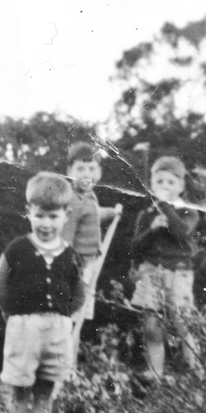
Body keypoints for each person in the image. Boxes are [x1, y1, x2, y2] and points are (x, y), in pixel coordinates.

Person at [0, 172, 86, 413]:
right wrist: (12, 313)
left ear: (66, 216)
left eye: (53, 216)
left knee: (46, 391)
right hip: (23, 328)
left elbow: (79, 294)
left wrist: (62, 316)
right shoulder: (18, 248)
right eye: (40, 215)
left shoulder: (70, 255)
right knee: (19, 390)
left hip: (57, 330)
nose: (46, 224)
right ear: (28, 212)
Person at [130, 156, 202, 378]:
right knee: (152, 325)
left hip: (179, 273)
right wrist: (151, 230)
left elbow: (181, 232)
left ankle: (195, 368)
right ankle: (156, 371)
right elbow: (135, 248)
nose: (165, 187)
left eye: (171, 183)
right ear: (152, 185)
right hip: (152, 272)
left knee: (181, 322)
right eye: (159, 182)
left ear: (181, 186)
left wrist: (166, 208)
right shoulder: (147, 215)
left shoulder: (187, 212)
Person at [61, 143, 118, 362]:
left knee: (78, 316)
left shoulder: (90, 196)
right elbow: (67, 236)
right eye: (80, 169)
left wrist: (111, 212)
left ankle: (70, 363)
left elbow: (93, 215)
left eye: (91, 169)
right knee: (71, 314)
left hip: (90, 264)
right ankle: (65, 363)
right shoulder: (73, 200)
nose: (86, 174)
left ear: (99, 173)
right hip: (78, 266)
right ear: (69, 172)